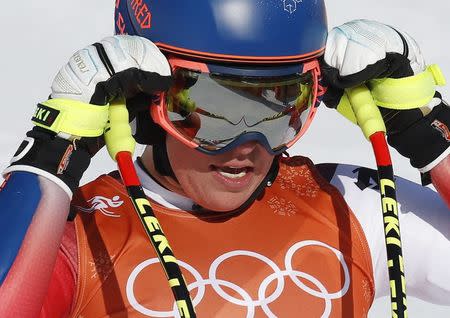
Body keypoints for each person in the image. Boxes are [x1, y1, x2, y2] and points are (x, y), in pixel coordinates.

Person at [0, 1, 449, 317]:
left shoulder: (350, 204)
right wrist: (51, 149)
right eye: (212, 112)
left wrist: (431, 133)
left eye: (277, 110)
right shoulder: (75, 236)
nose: (246, 146)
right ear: (145, 101)